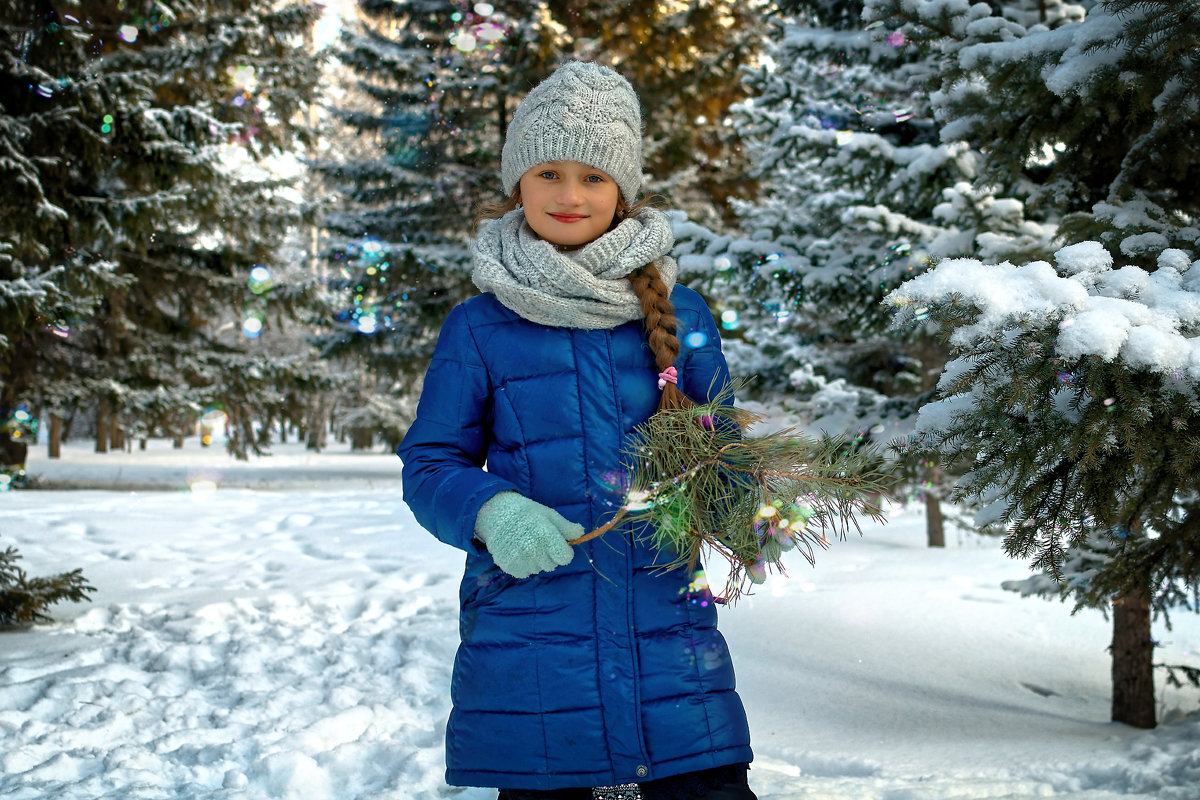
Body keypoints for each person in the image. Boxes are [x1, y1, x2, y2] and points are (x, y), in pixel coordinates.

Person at [397, 60, 757, 800]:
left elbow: (724, 446)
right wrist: (491, 511)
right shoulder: (479, 325)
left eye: (593, 177)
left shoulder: (681, 313)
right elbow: (431, 462)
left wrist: (730, 492)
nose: (569, 195)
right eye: (548, 173)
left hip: (673, 660)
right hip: (533, 653)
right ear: (515, 184)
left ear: (623, 189)